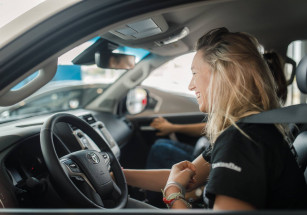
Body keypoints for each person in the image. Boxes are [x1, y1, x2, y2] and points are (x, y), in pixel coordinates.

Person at [124, 27, 307, 210]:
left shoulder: (241, 140)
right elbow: (190, 178)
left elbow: (176, 184)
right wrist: (120, 175)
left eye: (195, 73)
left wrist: (173, 194)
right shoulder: (250, 129)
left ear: (223, 76)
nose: (190, 85)